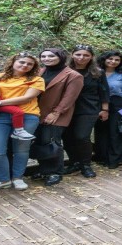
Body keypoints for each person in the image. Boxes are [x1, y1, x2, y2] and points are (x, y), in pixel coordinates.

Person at [0, 52, 45, 192]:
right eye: (21, 62)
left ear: (34, 67)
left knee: (21, 148)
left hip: (27, 115)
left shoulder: (36, 80)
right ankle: (3, 180)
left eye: (29, 64)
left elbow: (26, 98)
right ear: (13, 62)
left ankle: (18, 178)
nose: (25, 65)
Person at [34, 48, 84, 187]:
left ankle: (55, 172)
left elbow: (70, 97)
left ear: (61, 57)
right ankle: (44, 169)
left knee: (51, 142)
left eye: (51, 56)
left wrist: (56, 112)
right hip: (37, 112)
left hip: (57, 114)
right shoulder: (40, 71)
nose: (47, 58)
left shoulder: (73, 75)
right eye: (43, 56)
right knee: (40, 141)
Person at [63, 45, 109, 179]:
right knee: (67, 137)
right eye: (78, 54)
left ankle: (86, 164)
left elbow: (104, 91)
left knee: (82, 136)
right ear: (72, 55)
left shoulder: (98, 72)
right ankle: (74, 162)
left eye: (86, 55)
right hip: (67, 108)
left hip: (89, 108)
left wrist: (105, 109)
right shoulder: (65, 71)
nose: (81, 58)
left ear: (91, 57)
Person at [93, 51, 122, 169]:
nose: (113, 62)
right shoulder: (96, 73)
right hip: (99, 104)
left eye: (117, 60)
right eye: (110, 59)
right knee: (101, 131)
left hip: (118, 104)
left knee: (116, 131)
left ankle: (116, 158)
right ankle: (102, 157)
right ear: (104, 59)